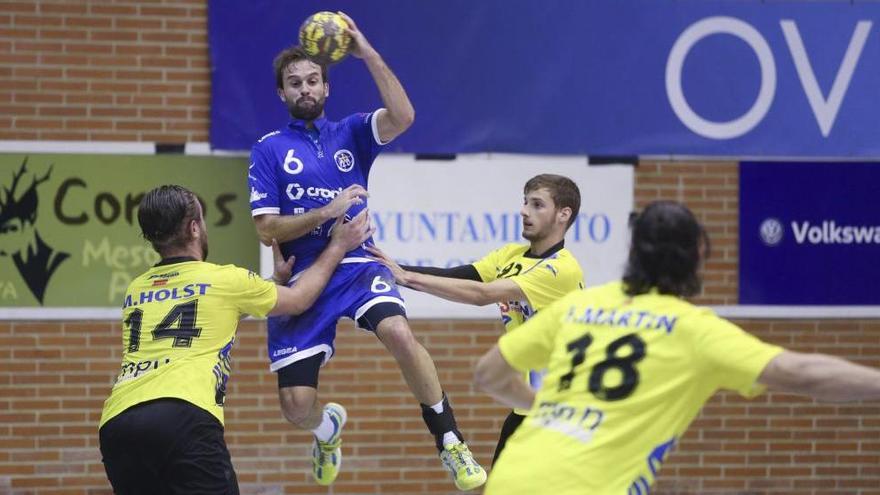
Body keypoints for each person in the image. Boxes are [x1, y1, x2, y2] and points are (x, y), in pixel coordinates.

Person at [474, 200, 880, 494]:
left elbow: (488, 374)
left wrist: (540, 403)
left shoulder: (582, 305)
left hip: (513, 476)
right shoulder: (695, 331)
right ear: (696, 259)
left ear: (632, 253)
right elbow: (803, 373)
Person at [246, 12, 485, 490]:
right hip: (304, 276)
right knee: (295, 408)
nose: (305, 89)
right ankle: (327, 429)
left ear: (327, 87)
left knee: (398, 330)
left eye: (313, 80)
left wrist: (366, 52)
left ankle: (449, 439)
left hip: (357, 263)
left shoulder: (351, 133)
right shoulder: (268, 149)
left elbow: (404, 117)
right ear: (282, 94)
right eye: (295, 83)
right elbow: (267, 227)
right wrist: (326, 214)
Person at [98, 184, 372, 495]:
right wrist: (337, 246)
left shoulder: (138, 288)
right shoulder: (224, 279)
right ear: (193, 228)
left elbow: (207, 314)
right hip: (184, 414)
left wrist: (273, 282)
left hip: (118, 424)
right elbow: (299, 299)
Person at [368, 173, 585, 463]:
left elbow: (481, 294)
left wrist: (406, 277)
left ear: (563, 214)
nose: (524, 211)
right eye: (524, 202)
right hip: (528, 409)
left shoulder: (562, 270)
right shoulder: (511, 255)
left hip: (562, 408)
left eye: (537, 204)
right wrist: (388, 267)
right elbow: (459, 276)